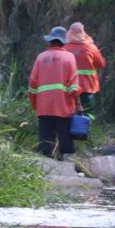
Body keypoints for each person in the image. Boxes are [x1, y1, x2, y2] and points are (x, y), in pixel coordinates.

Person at [28, 26, 80, 159]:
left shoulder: (41, 57)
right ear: (64, 42)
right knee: (65, 137)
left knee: (45, 139)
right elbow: (74, 85)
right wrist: (78, 104)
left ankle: (45, 165)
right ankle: (67, 164)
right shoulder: (69, 57)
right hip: (63, 106)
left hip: (44, 107)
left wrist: (35, 105)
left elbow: (33, 84)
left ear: (50, 41)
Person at [64, 21, 106, 119]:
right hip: (88, 86)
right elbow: (101, 64)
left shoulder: (64, 48)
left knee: (70, 112)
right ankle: (86, 130)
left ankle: (70, 132)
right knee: (88, 112)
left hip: (69, 86)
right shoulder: (91, 47)